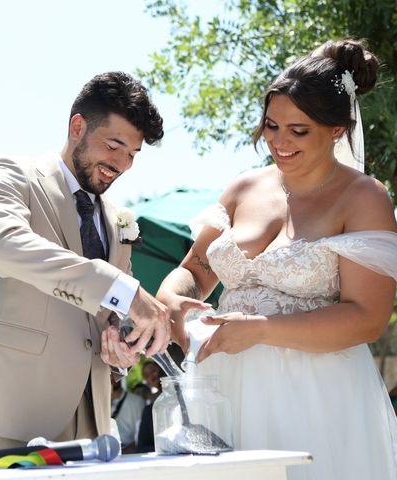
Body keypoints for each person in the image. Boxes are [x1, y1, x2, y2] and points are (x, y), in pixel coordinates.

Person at [157, 39, 397, 480]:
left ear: (337, 129)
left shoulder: (363, 197)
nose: (279, 142)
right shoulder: (242, 187)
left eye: (298, 131)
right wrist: (172, 296)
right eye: (271, 126)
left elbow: (368, 319)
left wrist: (263, 331)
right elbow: (196, 270)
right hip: (223, 385)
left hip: (315, 393)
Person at [0, 71, 176, 452]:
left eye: (133, 154)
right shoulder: (11, 175)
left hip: (96, 430)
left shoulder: (119, 219)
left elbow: (110, 318)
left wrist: (122, 352)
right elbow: (8, 247)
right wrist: (123, 289)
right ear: (77, 127)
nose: (121, 163)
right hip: (9, 418)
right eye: (114, 145)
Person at [110, 377, 145, 453]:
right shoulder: (97, 404)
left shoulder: (137, 402)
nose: (111, 378)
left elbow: (141, 437)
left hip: (129, 453)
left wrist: (124, 452)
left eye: (112, 375)